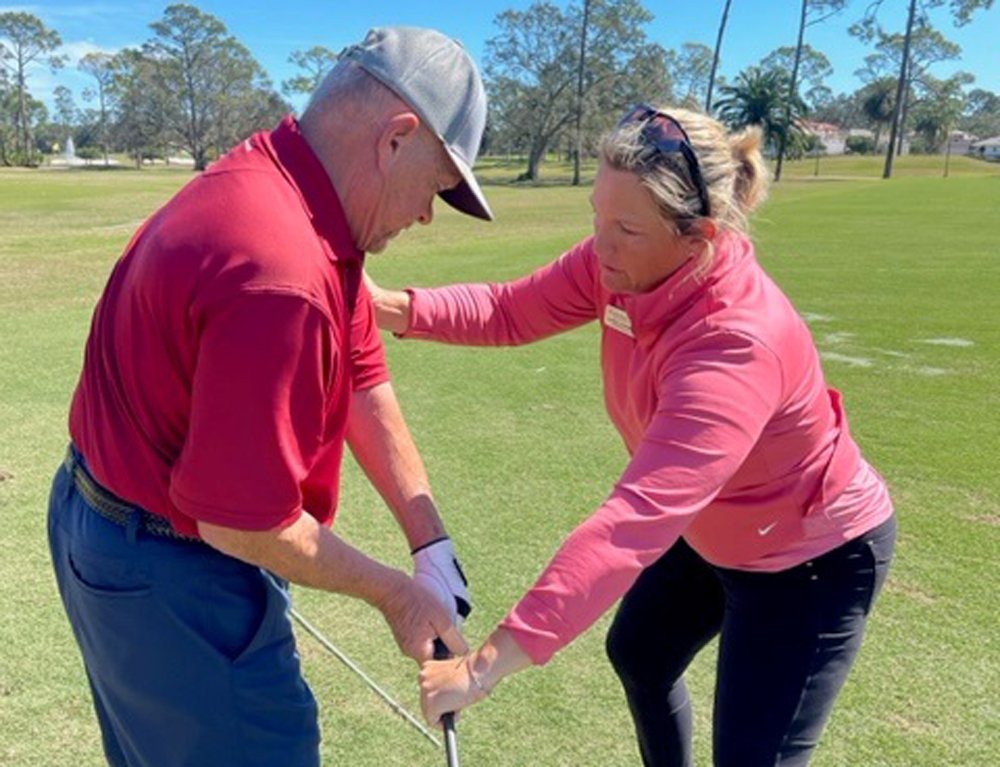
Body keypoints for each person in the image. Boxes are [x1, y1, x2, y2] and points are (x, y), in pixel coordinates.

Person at [368, 104, 897, 766]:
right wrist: (385, 305)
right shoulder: (617, 268)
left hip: (809, 558)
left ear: (697, 235)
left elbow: (632, 523)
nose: (601, 247)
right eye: (596, 216)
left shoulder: (736, 342)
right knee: (641, 653)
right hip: (718, 526)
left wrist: (481, 668)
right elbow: (509, 309)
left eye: (625, 229)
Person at [47, 26, 493, 767]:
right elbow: (239, 522)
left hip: (116, 529)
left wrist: (429, 540)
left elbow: (359, 372)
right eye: (438, 185)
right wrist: (398, 594)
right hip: (170, 568)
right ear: (396, 139)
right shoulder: (280, 269)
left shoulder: (295, 185)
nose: (427, 213)